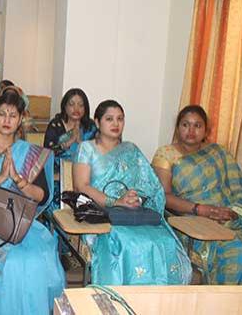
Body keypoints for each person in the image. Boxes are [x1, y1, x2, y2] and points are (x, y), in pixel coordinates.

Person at [0, 90, 65, 314]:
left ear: (20, 120)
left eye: (13, 115)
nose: (7, 120)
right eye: (2, 114)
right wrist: (0, 179)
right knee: (12, 264)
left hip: (20, 222)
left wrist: (19, 181)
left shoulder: (28, 153)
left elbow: (43, 196)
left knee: (37, 259)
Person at [73, 100, 191, 285]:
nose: (116, 124)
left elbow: (149, 185)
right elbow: (82, 186)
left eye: (120, 119)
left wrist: (136, 198)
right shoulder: (86, 149)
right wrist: (115, 202)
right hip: (102, 216)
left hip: (134, 215)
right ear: (97, 122)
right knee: (129, 245)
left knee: (162, 241)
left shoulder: (131, 150)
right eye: (109, 119)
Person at [152, 105, 242, 284]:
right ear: (177, 128)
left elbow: (237, 186)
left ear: (206, 130)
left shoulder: (218, 152)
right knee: (239, 256)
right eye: (185, 125)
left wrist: (235, 210)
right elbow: (164, 197)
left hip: (228, 215)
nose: (191, 130)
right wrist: (200, 209)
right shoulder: (166, 154)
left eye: (197, 126)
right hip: (192, 221)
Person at [44, 88, 97, 179]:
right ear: (64, 106)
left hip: (85, 174)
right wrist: (70, 141)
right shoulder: (56, 124)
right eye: (71, 104)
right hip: (58, 174)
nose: (76, 109)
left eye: (81, 105)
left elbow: (96, 154)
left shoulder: (90, 127)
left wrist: (80, 142)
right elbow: (47, 153)